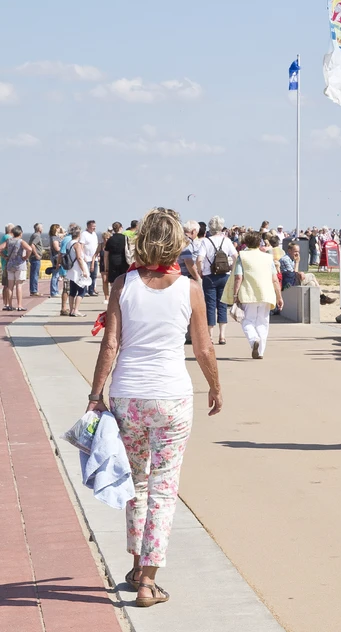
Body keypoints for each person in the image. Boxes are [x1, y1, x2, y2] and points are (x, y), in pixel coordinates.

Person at [85, 207, 222, 609]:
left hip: (128, 395)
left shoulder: (122, 285)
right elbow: (203, 347)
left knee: (137, 483)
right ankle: (148, 581)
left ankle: (134, 566)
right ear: (178, 241)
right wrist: (215, 387)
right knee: (164, 486)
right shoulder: (190, 289)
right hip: (172, 397)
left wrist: (95, 395)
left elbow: (110, 345)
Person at [231, 232, 283, 359]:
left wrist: (235, 294)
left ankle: (254, 339)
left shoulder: (242, 256)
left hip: (249, 293)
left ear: (246, 243)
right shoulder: (267, 257)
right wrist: (279, 296)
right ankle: (260, 352)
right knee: (263, 323)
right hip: (266, 294)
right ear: (259, 242)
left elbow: (238, 277)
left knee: (247, 320)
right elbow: (274, 279)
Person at [200, 216, 237, 346]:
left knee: (210, 306)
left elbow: (199, 259)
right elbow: (235, 256)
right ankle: (222, 335)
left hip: (209, 276)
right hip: (224, 276)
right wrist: (232, 270)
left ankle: (210, 335)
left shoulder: (205, 241)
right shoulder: (226, 241)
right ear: (221, 227)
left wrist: (200, 272)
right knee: (222, 306)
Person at [0, 225, 31, 312]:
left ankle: (9, 305)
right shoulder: (21, 241)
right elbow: (29, 249)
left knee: (10, 286)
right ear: (20, 233)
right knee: (19, 285)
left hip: (10, 265)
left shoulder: (8, 241)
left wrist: (5, 256)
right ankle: (19, 305)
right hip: (19, 265)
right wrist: (25, 257)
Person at [65, 224, 90, 317]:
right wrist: (84, 270)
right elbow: (79, 258)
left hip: (71, 270)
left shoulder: (69, 243)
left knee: (72, 291)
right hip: (78, 270)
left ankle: (71, 310)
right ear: (79, 234)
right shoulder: (77, 244)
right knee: (82, 290)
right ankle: (76, 310)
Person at [105, 221, 131, 292]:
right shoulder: (125, 238)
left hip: (113, 262)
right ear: (121, 228)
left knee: (113, 282)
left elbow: (106, 255)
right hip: (123, 262)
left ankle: (114, 295)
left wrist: (106, 266)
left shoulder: (110, 239)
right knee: (123, 281)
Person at [81, 220, 100, 296]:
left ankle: (91, 290)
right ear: (88, 227)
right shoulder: (84, 234)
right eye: (92, 227)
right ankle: (85, 290)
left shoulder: (94, 234)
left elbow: (96, 245)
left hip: (94, 258)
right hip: (87, 258)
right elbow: (81, 246)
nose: (94, 228)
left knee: (94, 276)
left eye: (95, 227)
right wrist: (83, 256)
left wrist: (98, 255)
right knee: (86, 275)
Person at [28, 223, 45, 297]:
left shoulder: (34, 235)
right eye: (42, 228)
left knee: (33, 274)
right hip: (35, 258)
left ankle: (33, 290)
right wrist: (36, 254)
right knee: (35, 274)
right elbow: (32, 245)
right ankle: (34, 291)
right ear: (39, 229)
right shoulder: (37, 236)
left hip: (32, 257)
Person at [48, 224, 64, 297]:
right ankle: (54, 291)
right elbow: (57, 248)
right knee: (55, 274)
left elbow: (62, 234)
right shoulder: (54, 238)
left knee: (57, 275)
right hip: (56, 257)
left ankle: (55, 290)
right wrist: (63, 249)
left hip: (57, 256)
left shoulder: (56, 237)